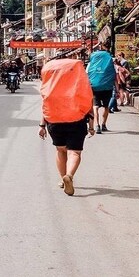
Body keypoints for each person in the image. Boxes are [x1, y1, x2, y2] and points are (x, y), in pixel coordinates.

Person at [38, 58, 96, 196]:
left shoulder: (50, 87)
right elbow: (89, 104)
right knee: (74, 152)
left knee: (61, 150)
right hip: (76, 120)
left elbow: (45, 105)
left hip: (54, 121)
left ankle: (62, 179)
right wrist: (92, 126)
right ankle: (69, 175)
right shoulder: (80, 84)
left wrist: (42, 125)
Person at [85, 43, 116, 133]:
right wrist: (116, 87)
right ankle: (104, 125)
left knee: (95, 107)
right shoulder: (110, 61)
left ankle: (97, 125)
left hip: (94, 87)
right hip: (107, 87)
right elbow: (114, 75)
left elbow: (87, 75)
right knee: (106, 107)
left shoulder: (91, 64)